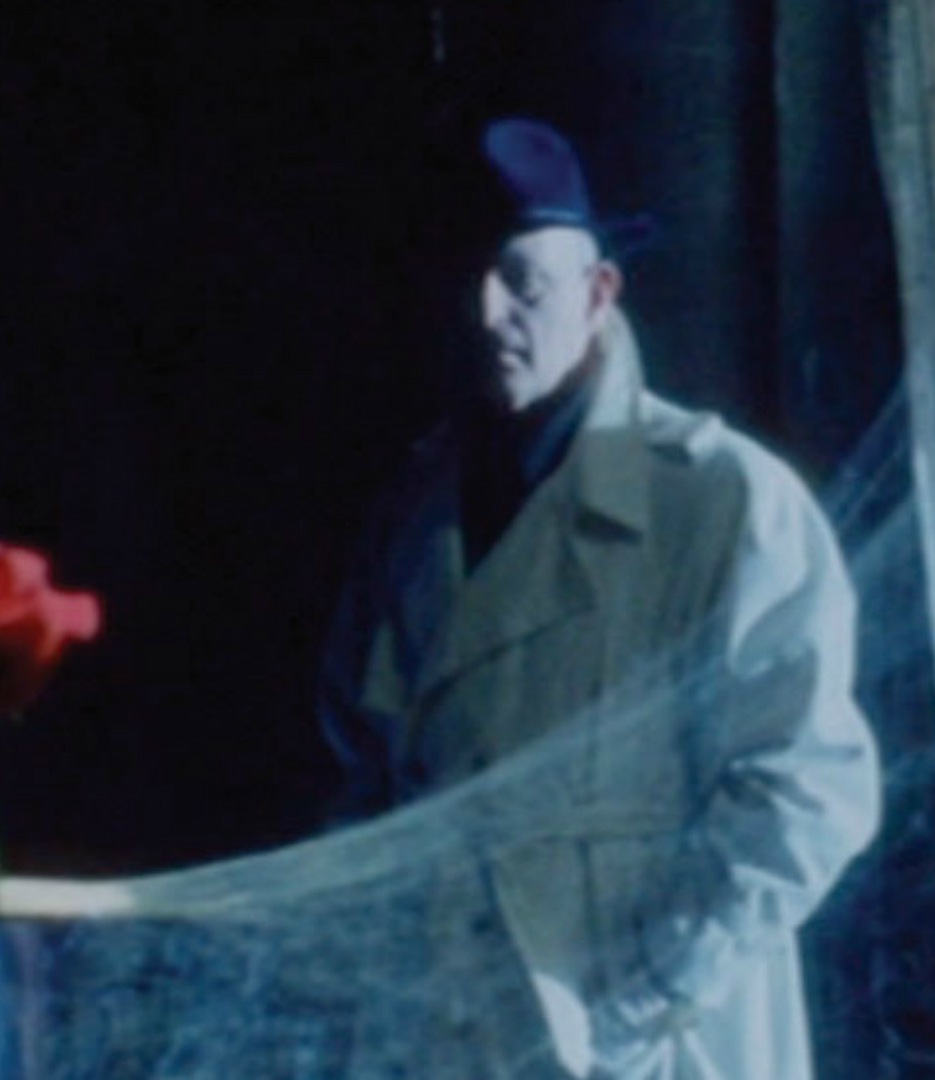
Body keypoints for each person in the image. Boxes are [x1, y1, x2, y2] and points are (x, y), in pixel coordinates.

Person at [318, 118, 881, 1080]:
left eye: (523, 282)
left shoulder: (722, 500)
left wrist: (638, 999)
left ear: (598, 290)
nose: (488, 312)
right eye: (465, 281)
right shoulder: (413, 514)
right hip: (447, 1032)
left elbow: (809, 791)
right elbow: (366, 787)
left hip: (655, 1043)